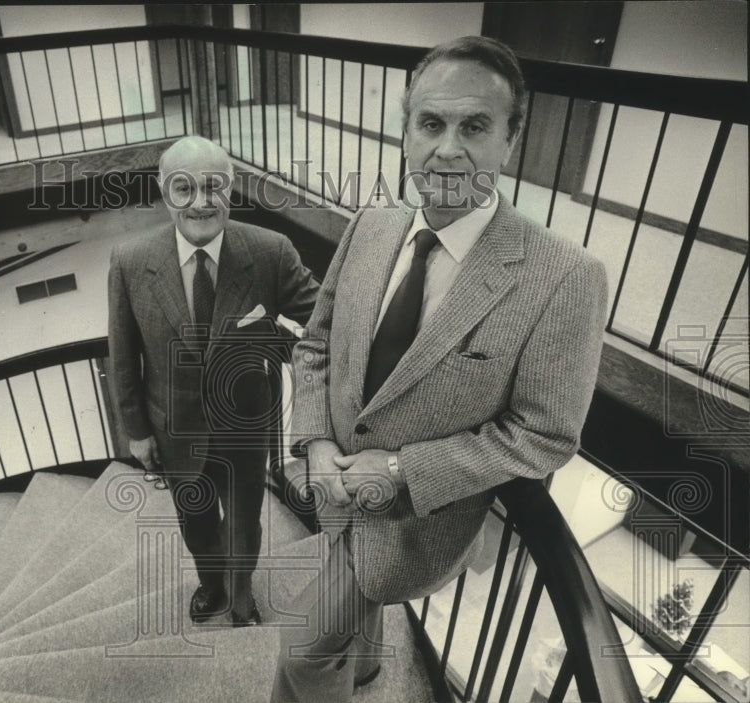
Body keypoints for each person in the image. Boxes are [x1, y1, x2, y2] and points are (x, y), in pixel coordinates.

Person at [271, 36, 608, 701]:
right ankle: (365, 670)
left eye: (474, 126)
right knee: (346, 630)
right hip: (334, 493)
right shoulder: (372, 223)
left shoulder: (564, 275)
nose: (448, 148)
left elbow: (544, 433)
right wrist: (314, 443)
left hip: (415, 524)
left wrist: (398, 471)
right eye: (431, 123)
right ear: (405, 134)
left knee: (303, 650)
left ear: (511, 139)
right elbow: (314, 344)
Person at [107, 136, 319, 627]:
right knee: (197, 520)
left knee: (246, 524)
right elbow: (122, 354)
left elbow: (326, 322)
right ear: (165, 194)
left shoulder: (270, 251)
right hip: (174, 430)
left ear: (231, 190)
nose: (200, 202)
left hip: (247, 427)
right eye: (184, 188)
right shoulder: (130, 260)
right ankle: (212, 585)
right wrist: (136, 431)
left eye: (213, 186)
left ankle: (242, 600)